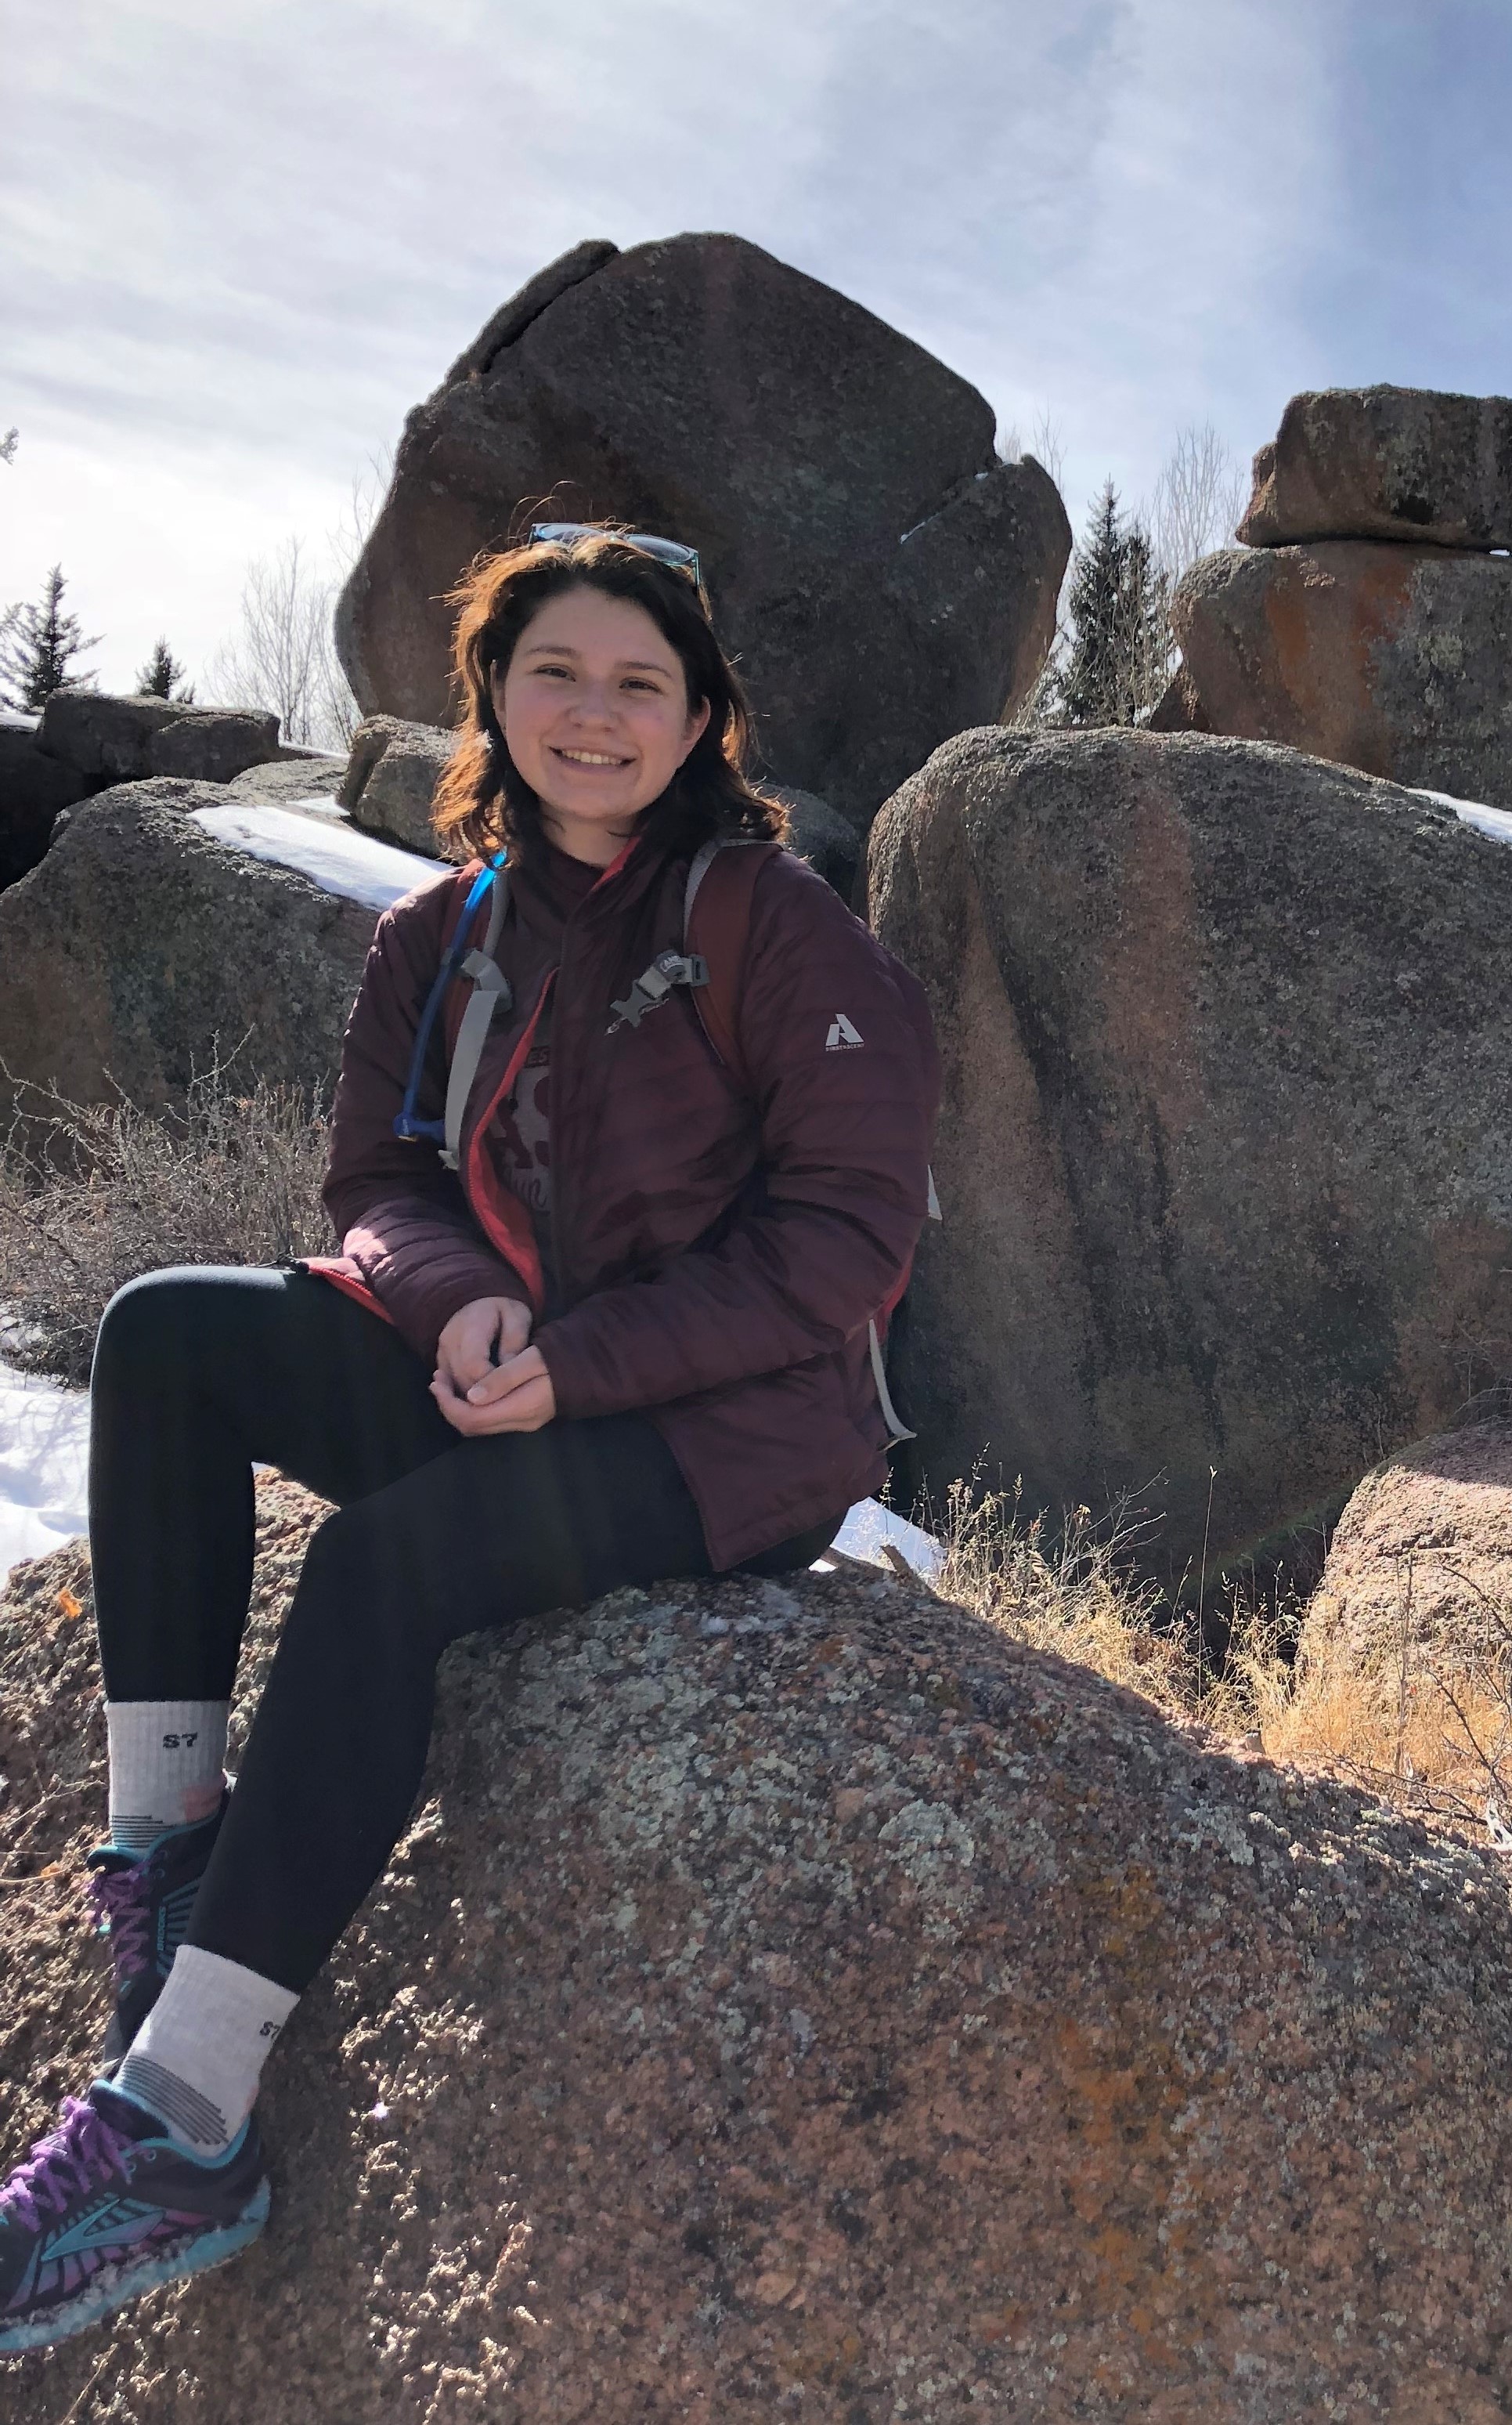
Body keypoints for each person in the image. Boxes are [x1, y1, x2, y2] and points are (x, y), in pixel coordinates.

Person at [0, 525, 940, 2354]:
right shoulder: (438, 936)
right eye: (554, 672)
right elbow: (378, 1179)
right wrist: (453, 1309)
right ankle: (174, 1857)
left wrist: (580, 1366)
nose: (595, 713)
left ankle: (186, 2123)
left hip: (729, 1442)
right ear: (492, 694)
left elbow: (847, 1239)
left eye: (640, 683)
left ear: (700, 720)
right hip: (505, 1380)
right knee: (165, 1335)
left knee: (383, 1564)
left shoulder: (773, 922)